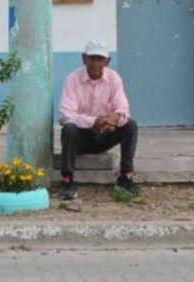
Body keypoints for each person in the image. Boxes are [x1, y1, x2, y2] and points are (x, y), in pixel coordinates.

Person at [57, 39, 139, 200]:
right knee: (69, 128)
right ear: (84, 58)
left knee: (130, 126)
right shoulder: (72, 79)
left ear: (107, 62)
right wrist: (95, 121)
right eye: (92, 58)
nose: (95, 63)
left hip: (105, 133)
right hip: (82, 136)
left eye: (100, 59)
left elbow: (123, 108)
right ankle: (68, 180)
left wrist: (112, 120)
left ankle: (126, 177)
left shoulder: (114, 78)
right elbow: (67, 114)